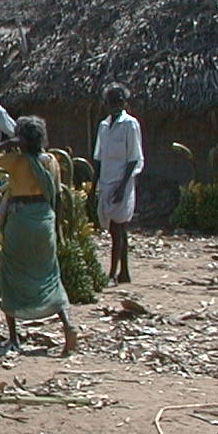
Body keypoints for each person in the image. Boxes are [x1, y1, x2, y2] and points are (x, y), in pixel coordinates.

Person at [0, 116, 78, 355]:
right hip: (44, 219)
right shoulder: (51, 161)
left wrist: (7, 144)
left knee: (11, 274)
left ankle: (13, 337)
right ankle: (67, 324)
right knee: (50, 274)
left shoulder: (16, 161)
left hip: (21, 221)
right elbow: (57, 195)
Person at [94, 83, 144, 285]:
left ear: (125, 102)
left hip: (121, 182)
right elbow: (98, 157)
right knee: (118, 229)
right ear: (106, 104)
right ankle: (124, 271)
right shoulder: (104, 126)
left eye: (119, 101)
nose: (116, 105)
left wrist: (123, 187)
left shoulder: (130, 124)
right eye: (112, 102)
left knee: (117, 228)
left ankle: (113, 272)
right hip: (106, 182)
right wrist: (94, 185)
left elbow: (133, 158)